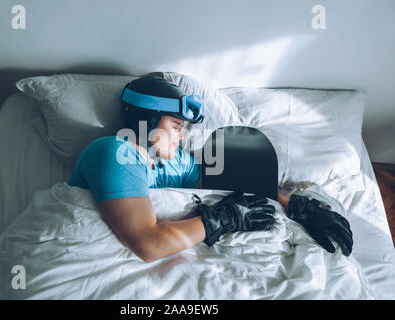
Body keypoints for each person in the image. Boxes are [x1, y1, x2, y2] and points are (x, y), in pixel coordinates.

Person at [68, 76, 353, 262]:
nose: (181, 137)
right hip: (93, 256)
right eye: (176, 126)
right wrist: (222, 218)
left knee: (239, 146)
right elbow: (148, 245)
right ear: (147, 118)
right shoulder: (116, 152)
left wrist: (296, 207)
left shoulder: (175, 160)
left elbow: (231, 180)